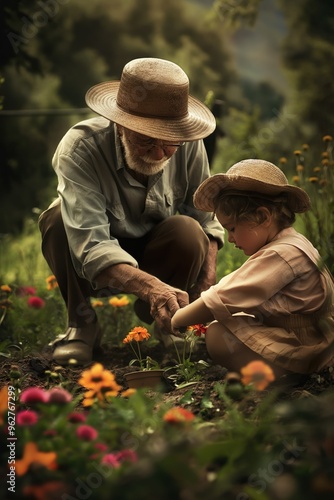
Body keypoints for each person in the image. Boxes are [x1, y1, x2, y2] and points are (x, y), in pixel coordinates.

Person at [38, 57, 225, 365]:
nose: (157, 152)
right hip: (93, 259)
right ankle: (81, 325)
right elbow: (92, 247)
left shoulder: (188, 143)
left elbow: (207, 220)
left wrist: (205, 283)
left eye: (169, 144)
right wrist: (151, 288)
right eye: (145, 139)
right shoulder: (81, 147)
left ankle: (171, 322)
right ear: (120, 123)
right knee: (57, 220)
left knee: (190, 231)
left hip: (158, 250)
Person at [172, 159, 334, 378]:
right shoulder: (294, 243)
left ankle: (279, 374)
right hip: (314, 337)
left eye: (232, 228)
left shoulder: (281, 254)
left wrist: (178, 318)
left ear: (263, 217)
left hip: (307, 346)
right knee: (234, 318)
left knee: (218, 336)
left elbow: (226, 295)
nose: (230, 239)